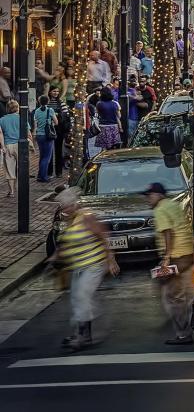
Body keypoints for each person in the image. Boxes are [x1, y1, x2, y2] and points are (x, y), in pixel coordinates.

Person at [56, 187, 119, 350]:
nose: (64, 210)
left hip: (94, 264)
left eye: (66, 206)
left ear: (73, 204)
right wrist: (57, 257)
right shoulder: (69, 220)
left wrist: (111, 259)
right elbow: (67, 242)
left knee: (82, 295)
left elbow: (104, 235)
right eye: (62, 207)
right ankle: (85, 335)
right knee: (77, 298)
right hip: (78, 266)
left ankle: (81, 336)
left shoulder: (86, 216)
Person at [142, 181, 194, 344]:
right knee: (186, 293)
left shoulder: (160, 209)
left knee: (174, 296)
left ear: (159, 195)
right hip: (188, 253)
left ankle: (183, 334)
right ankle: (188, 321)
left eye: (149, 196)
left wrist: (166, 258)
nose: (147, 199)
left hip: (176, 256)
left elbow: (167, 232)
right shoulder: (173, 204)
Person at [48, 86, 72, 179]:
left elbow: (66, 116)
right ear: (50, 92)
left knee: (58, 151)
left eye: (57, 91)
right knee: (50, 152)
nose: (56, 93)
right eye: (54, 91)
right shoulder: (47, 102)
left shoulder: (61, 103)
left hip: (59, 129)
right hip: (49, 129)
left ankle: (59, 172)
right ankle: (49, 172)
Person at [33, 95, 59, 183]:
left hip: (39, 135)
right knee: (47, 157)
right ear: (47, 102)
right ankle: (44, 177)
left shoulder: (36, 111)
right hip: (47, 135)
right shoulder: (50, 110)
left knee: (42, 156)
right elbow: (56, 122)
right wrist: (50, 123)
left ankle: (40, 175)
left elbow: (35, 123)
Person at [0, 99, 22, 197]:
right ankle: (21, 188)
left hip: (8, 145)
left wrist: (2, 146)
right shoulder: (22, 118)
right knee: (21, 168)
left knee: (9, 169)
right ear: (17, 108)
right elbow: (28, 133)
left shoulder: (2, 120)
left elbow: (0, 134)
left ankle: (12, 191)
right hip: (20, 146)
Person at [94, 86, 123, 152]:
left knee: (104, 148)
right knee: (114, 147)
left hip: (103, 127)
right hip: (113, 127)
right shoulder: (115, 103)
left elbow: (98, 114)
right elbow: (119, 116)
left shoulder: (99, 104)